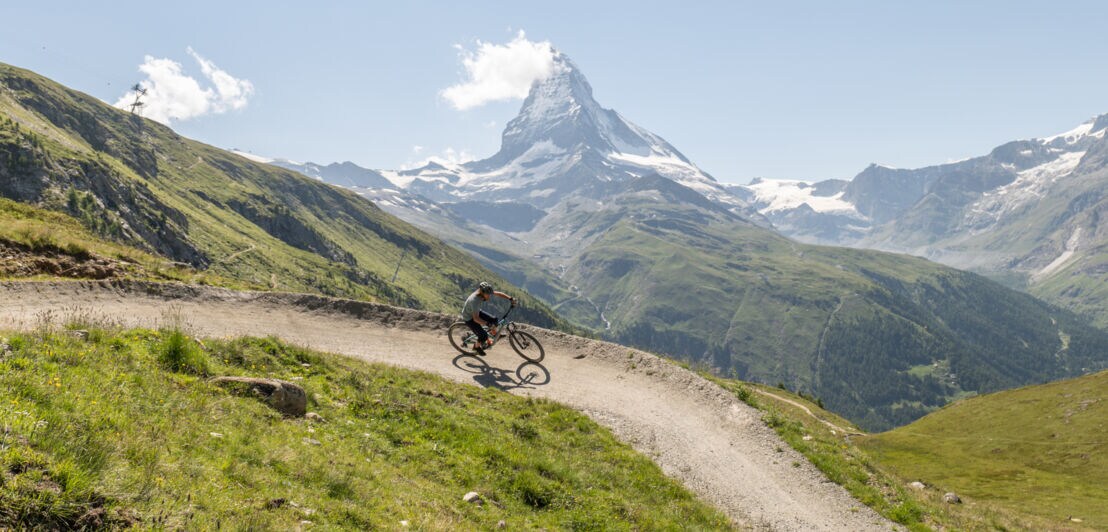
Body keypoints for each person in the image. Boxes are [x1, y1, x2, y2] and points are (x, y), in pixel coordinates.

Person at [461, 282, 516, 352]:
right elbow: (476, 319)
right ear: (482, 292)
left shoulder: (485, 291)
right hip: (469, 317)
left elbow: (498, 293)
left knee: (494, 320)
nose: (489, 296)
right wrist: (487, 324)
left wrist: (510, 298)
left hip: (476, 311)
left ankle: (495, 335)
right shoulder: (474, 300)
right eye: (488, 295)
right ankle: (475, 347)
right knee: (483, 335)